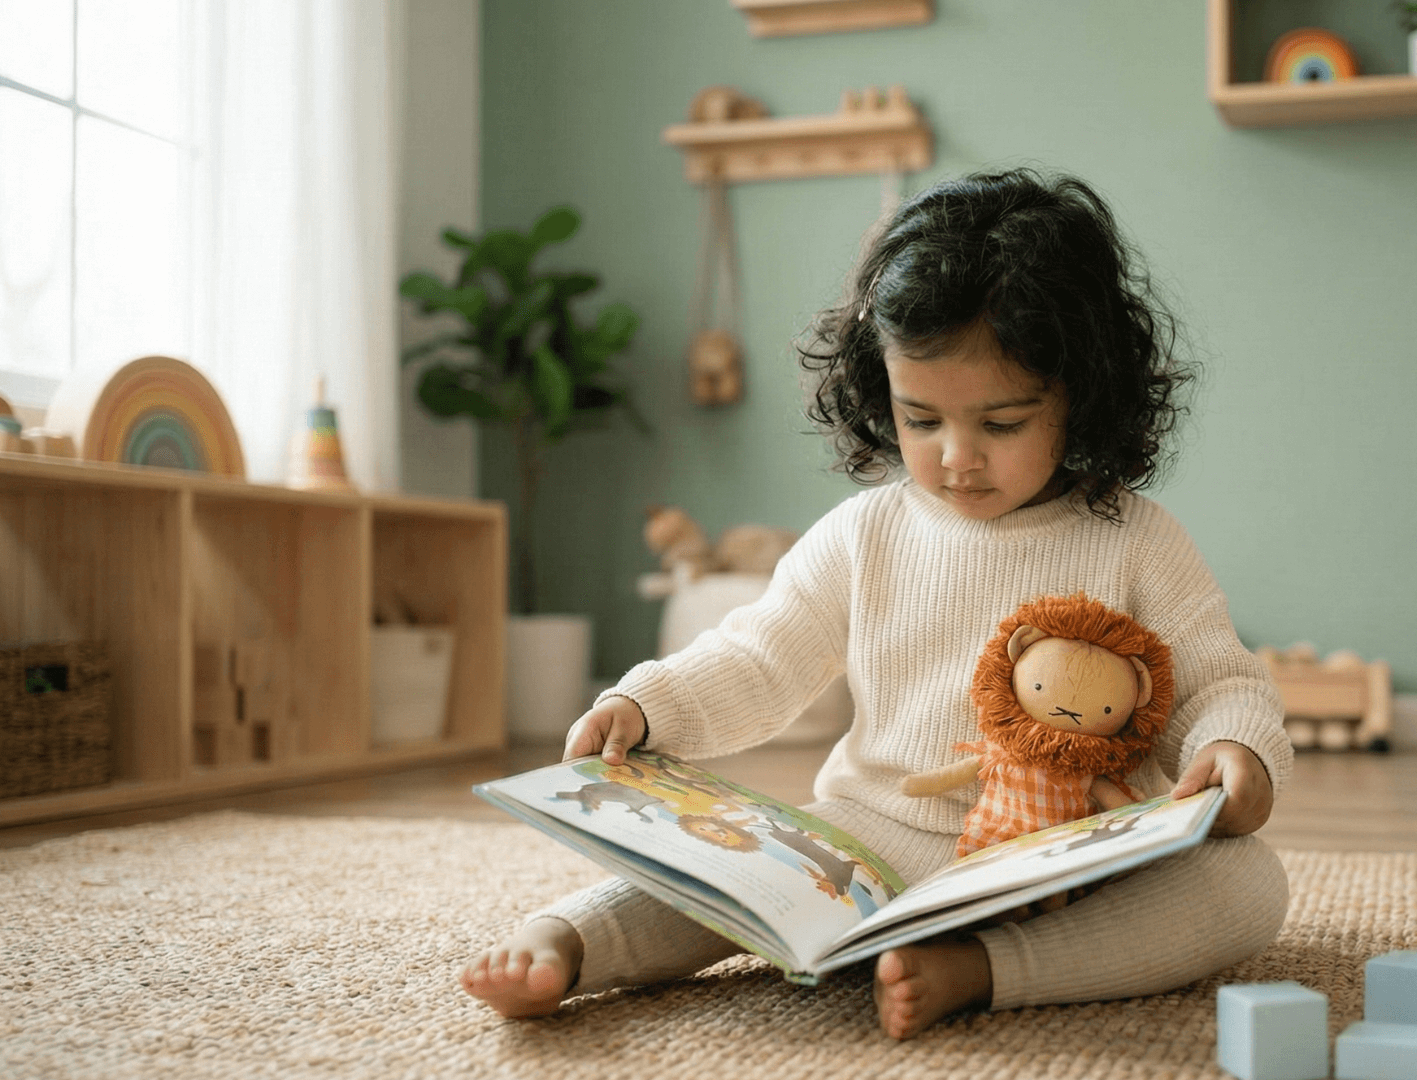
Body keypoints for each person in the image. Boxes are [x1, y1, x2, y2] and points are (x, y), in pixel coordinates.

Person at [460, 167, 1293, 1039]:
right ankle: (570, 941)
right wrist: (646, 703)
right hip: (875, 843)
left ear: (1082, 390)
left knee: (1246, 884)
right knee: (729, 865)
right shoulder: (865, 531)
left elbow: (1217, 679)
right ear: (877, 386)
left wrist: (1239, 751)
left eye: (1001, 424)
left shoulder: (1135, 536)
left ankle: (978, 971)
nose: (956, 457)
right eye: (921, 419)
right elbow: (760, 656)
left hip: (1074, 859)